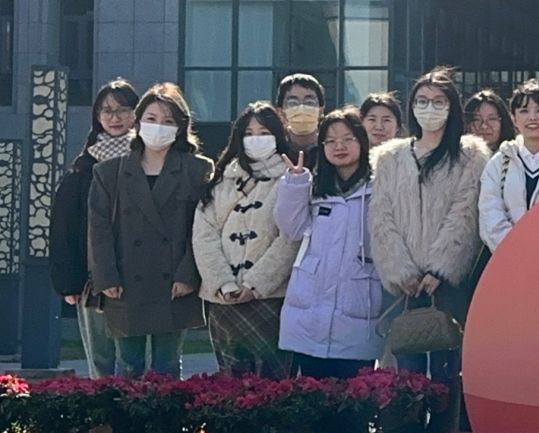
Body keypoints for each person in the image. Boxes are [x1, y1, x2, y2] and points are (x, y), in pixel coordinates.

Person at [370, 69, 489, 406]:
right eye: (422, 101)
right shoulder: (390, 158)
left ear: (451, 108)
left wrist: (440, 269)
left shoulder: (470, 156)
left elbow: (465, 215)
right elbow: (381, 218)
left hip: (447, 285)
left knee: (446, 371)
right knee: (404, 373)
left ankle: (444, 431)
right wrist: (401, 271)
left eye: (438, 102)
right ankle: (406, 432)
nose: (429, 108)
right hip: (404, 287)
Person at [86, 82, 210, 378]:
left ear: (180, 128)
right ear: (138, 121)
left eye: (168, 121)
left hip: (174, 282)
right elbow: (98, 230)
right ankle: (126, 412)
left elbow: (204, 227)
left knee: (168, 365)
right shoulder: (108, 172)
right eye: (152, 119)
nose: (159, 127)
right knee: (128, 365)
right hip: (125, 282)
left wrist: (188, 274)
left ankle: (167, 412)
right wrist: (106, 277)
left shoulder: (198, 169)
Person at [276, 108, 383, 379]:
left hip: (358, 304)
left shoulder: (379, 189)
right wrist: (295, 183)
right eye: (331, 141)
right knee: (312, 393)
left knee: (355, 394)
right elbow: (291, 230)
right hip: (310, 306)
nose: (339, 146)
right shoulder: (313, 188)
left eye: (347, 139)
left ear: (362, 141)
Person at [192, 102, 297, 378]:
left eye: (263, 132)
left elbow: (290, 239)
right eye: (249, 133)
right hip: (222, 301)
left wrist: (255, 284)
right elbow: (204, 235)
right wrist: (223, 283)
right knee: (230, 382)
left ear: (278, 136)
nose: (256, 139)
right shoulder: (220, 180)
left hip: (271, 298)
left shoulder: (291, 180)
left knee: (273, 381)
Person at [50, 78, 138, 378]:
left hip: (139, 276)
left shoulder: (149, 161)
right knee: (101, 364)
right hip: (93, 281)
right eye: (106, 110)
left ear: (136, 114)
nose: (115, 117)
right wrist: (69, 284)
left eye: (123, 109)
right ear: (97, 117)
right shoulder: (83, 167)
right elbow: (65, 228)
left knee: (135, 364)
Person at [479, 80, 539, 252]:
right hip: (508, 256)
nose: (532, 117)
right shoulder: (500, 162)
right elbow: (490, 212)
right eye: (524, 111)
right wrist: (517, 248)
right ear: (513, 118)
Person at [276, 73, 325, 168]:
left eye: (309, 102)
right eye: (293, 103)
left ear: (321, 111)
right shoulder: (274, 152)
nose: (301, 108)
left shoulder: (331, 149)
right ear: (281, 112)